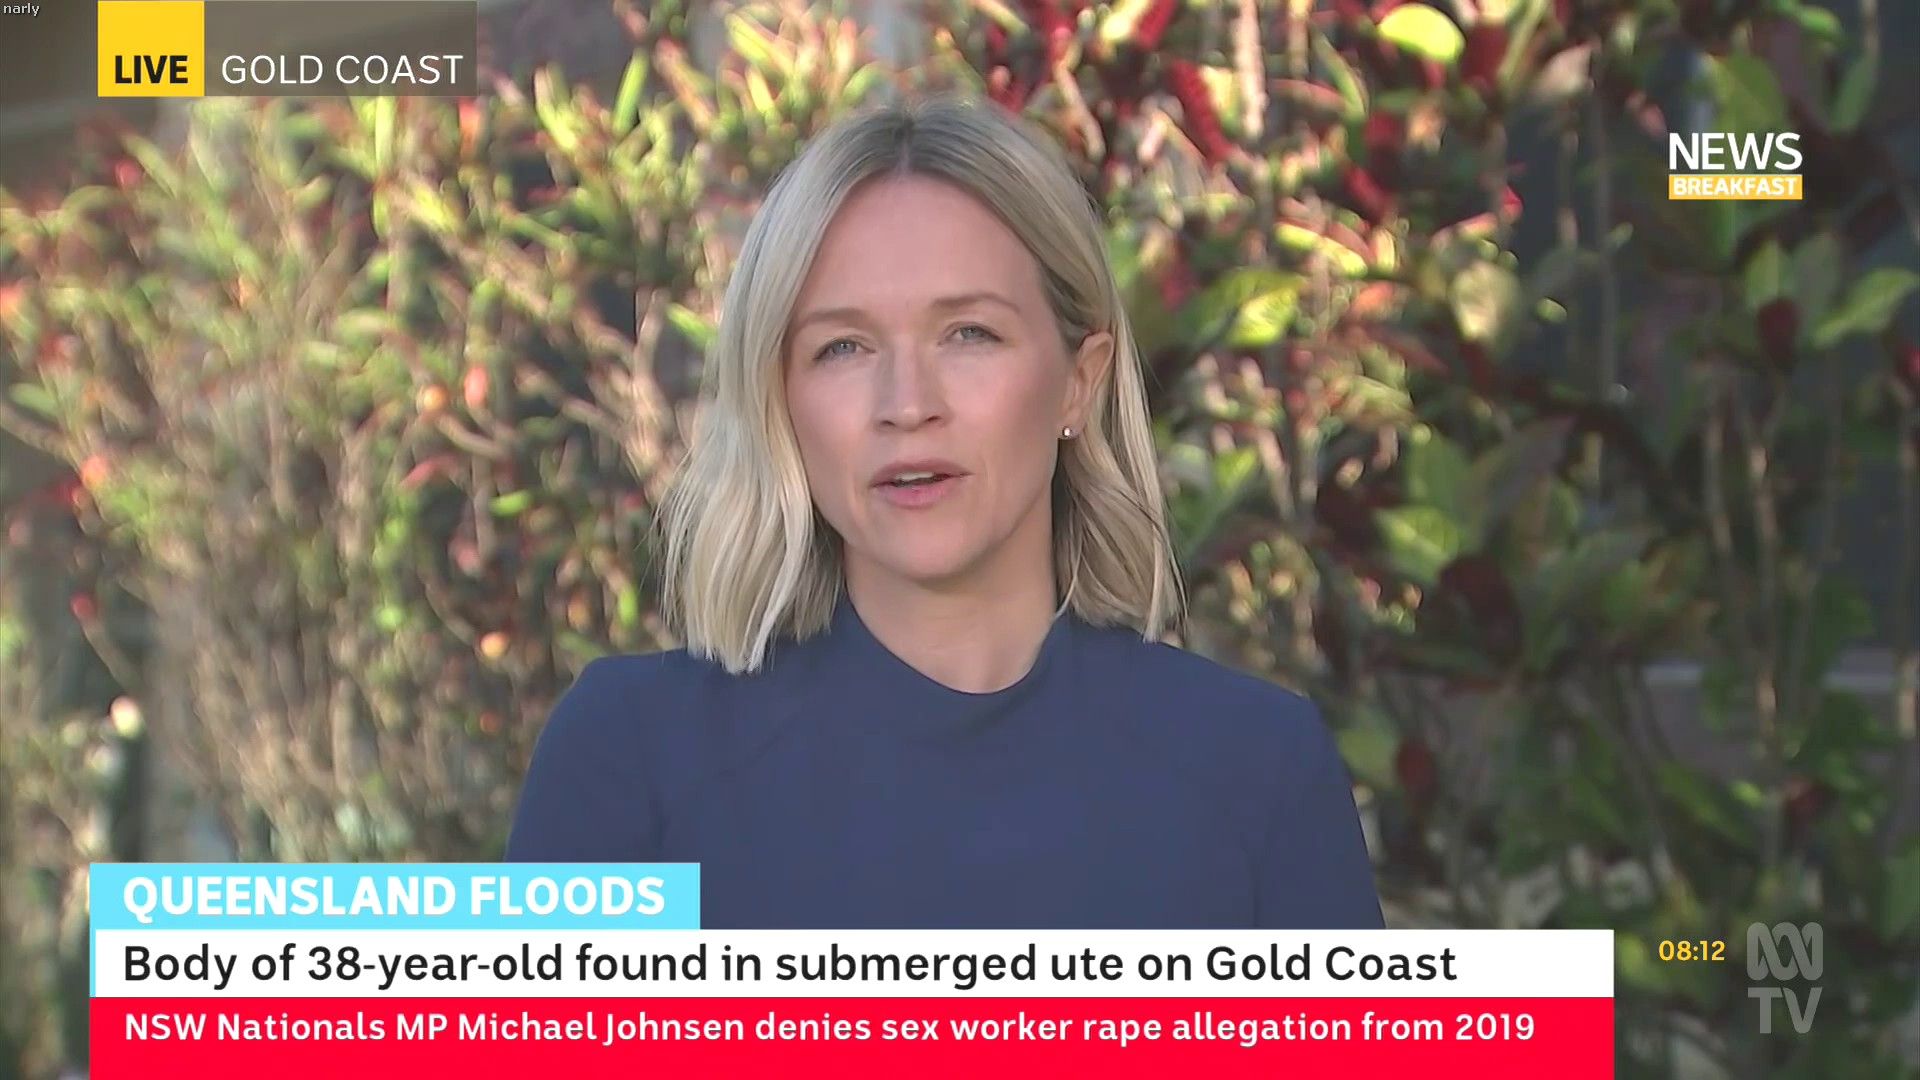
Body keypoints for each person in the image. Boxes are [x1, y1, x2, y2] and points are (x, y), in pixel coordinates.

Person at [505, 96, 1384, 930]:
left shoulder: (1259, 771)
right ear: (780, 399)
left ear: (1078, 382)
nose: (907, 404)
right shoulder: (629, 757)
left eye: (970, 334)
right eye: (842, 347)